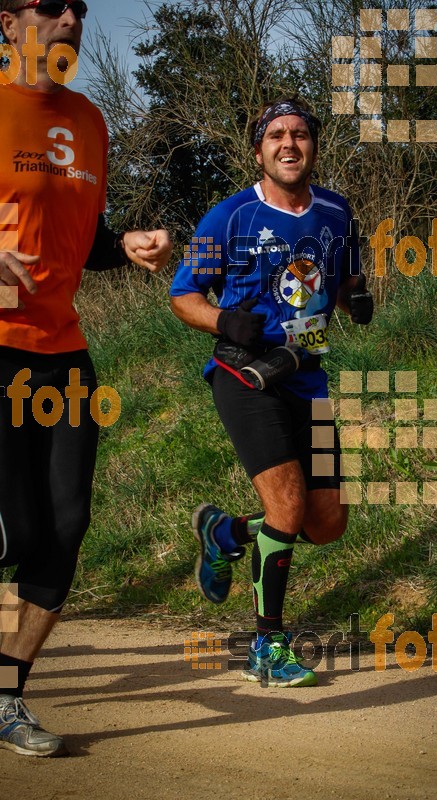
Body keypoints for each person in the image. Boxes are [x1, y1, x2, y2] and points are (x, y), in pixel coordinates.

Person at [0, 0, 172, 757]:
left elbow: (84, 237)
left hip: (62, 349)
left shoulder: (91, 120)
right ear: (7, 22)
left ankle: (6, 695)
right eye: (48, 3)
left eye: (79, 5)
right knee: (17, 531)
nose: (69, 14)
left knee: (64, 529)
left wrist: (124, 244)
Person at [170, 97, 373, 687]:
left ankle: (224, 532)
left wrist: (354, 299)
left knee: (326, 522)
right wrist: (223, 322)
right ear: (258, 149)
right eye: (276, 135)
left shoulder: (337, 213)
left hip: (309, 378)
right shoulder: (227, 218)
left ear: (314, 145)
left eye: (300, 134)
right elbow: (184, 296)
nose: (289, 144)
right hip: (247, 377)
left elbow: (344, 280)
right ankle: (267, 645)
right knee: (286, 507)